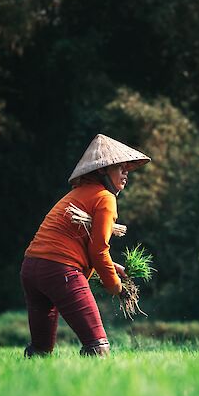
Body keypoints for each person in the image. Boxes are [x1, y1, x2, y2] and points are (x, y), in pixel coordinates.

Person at [20, 133, 151, 357]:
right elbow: (98, 250)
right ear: (102, 170)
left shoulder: (77, 195)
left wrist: (112, 267)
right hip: (59, 270)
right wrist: (114, 285)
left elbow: (82, 246)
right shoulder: (105, 198)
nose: (126, 173)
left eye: (127, 168)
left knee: (41, 351)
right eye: (120, 167)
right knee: (98, 348)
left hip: (31, 269)